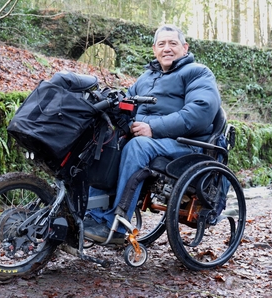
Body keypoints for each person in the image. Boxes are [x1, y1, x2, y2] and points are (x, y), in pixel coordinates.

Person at [84, 24, 222, 244]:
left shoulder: (198, 73)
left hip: (188, 145)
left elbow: (200, 113)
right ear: (154, 49)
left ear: (185, 48)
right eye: (162, 44)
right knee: (105, 142)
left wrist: (152, 127)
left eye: (173, 43)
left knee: (137, 146)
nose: (167, 48)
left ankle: (117, 225)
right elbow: (126, 107)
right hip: (153, 140)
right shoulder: (145, 78)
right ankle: (90, 213)